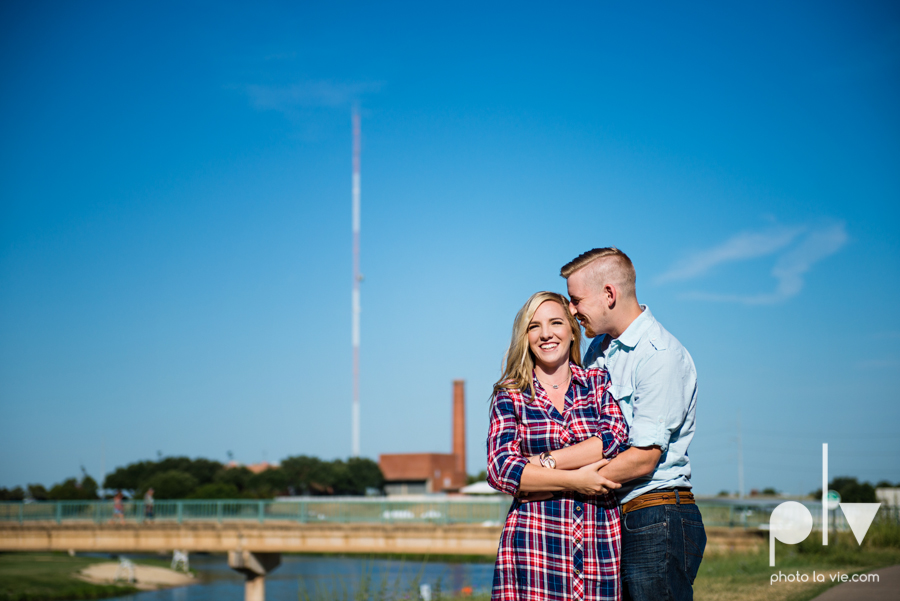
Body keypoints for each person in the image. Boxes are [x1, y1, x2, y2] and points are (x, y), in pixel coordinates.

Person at [561, 247, 707, 601]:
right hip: (619, 516)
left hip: (654, 515)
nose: (571, 310)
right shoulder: (598, 351)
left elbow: (643, 458)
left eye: (576, 299)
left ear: (609, 294)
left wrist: (567, 480)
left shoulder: (659, 356)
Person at [487, 291, 629, 601]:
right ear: (525, 336)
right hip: (534, 545)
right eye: (534, 326)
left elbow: (614, 438)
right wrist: (577, 480)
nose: (546, 333)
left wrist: (538, 465)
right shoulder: (510, 395)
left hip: (597, 544)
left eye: (555, 322)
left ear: (572, 331)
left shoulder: (597, 382)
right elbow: (501, 469)